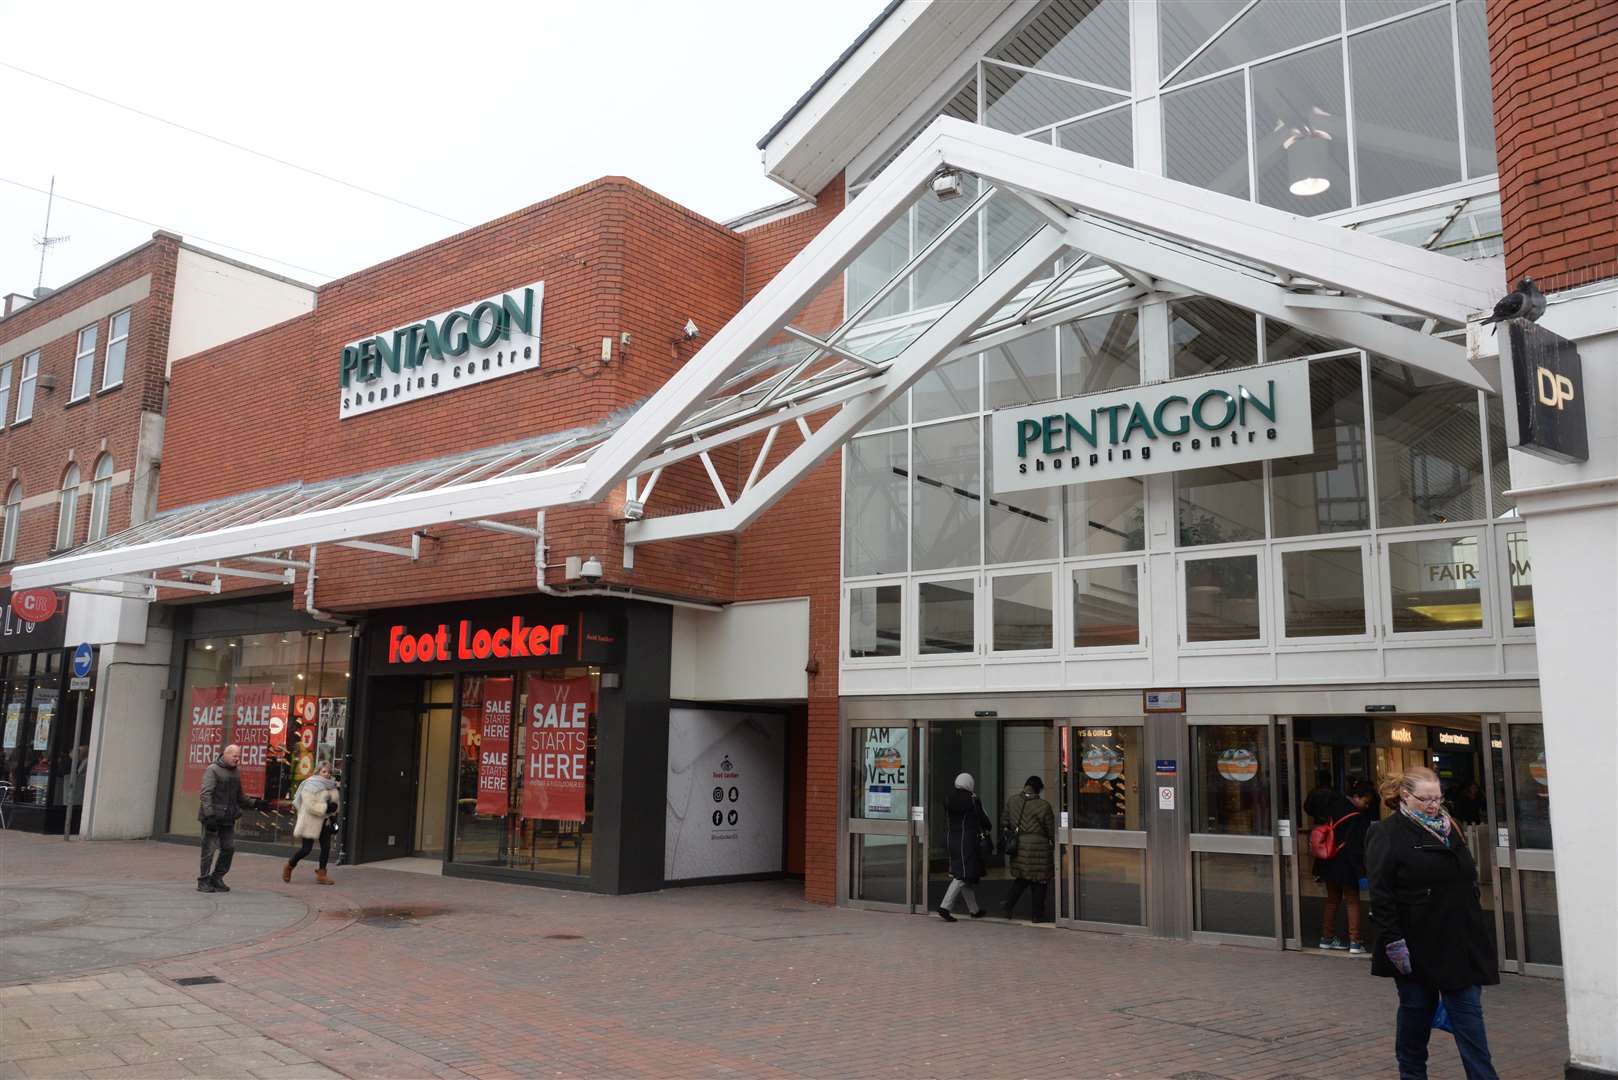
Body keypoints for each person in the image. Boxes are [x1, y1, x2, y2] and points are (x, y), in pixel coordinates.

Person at [1366, 766, 1499, 1080]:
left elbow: (1466, 878)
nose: (1433, 805)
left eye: (1438, 798)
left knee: (1470, 1020)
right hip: (1415, 944)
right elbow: (1381, 894)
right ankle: (1412, 1075)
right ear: (1405, 795)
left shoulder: (1448, 825)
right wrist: (1394, 943)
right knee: (1416, 1014)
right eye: (1425, 799)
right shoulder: (1387, 832)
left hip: (1459, 942)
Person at [1309, 773, 1371, 954]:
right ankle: (1355, 941)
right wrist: (1361, 873)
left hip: (1329, 861)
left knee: (1332, 901)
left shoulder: (1333, 807)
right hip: (1347, 864)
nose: (1366, 806)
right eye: (1366, 802)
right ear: (1357, 797)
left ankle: (1326, 938)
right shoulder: (1356, 817)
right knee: (1352, 901)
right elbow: (1355, 848)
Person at [197, 744, 262, 894]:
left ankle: (217, 878)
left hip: (228, 818)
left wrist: (256, 803)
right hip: (213, 818)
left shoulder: (236, 772)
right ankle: (203, 881)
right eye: (234, 756)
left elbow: (239, 796)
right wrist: (210, 816)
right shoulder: (212, 770)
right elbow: (205, 794)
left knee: (228, 848)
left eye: (239, 756)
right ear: (225, 754)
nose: (237, 759)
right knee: (208, 850)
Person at [1000, 776, 1055, 922]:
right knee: (1040, 882)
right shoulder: (1044, 806)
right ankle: (1037, 915)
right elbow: (1051, 830)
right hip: (1040, 848)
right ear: (1039, 789)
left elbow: (1005, 821)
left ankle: (1007, 906)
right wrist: (1056, 845)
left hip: (1019, 846)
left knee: (1022, 879)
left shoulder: (1012, 801)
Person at [938, 772, 990, 922]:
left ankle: (974, 910)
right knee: (961, 875)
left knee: (965, 874)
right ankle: (945, 907)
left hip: (951, 839)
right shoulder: (972, 800)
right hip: (967, 840)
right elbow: (985, 821)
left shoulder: (948, 798)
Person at [282, 764, 340, 885]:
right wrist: (326, 807)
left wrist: (334, 811)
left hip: (326, 821)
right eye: (324, 771)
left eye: (329, 772)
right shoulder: (310, 784)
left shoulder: (331, 786)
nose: (327, 774)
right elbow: (309, 805)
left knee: (326, 847)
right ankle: (289, 866)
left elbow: (335, 804)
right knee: (306, 849)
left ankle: (321, 874)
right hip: (310, 820)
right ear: (318, 772)